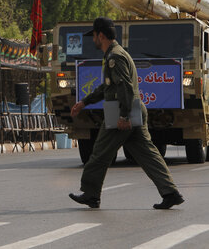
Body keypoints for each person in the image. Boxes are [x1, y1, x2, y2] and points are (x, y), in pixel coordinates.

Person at [69, 17, 184, 210]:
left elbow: (125, 87)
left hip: (122, 112)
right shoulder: (115, 54)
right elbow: (107, 87)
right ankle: (170, 193)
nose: (93, 40)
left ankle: (90, 194)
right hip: (133, 109)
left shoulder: (115, 57)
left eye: (94, 36)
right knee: (148, 154)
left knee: (99, 154)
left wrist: (124, 116)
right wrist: (84, 102)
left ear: (101, 35)